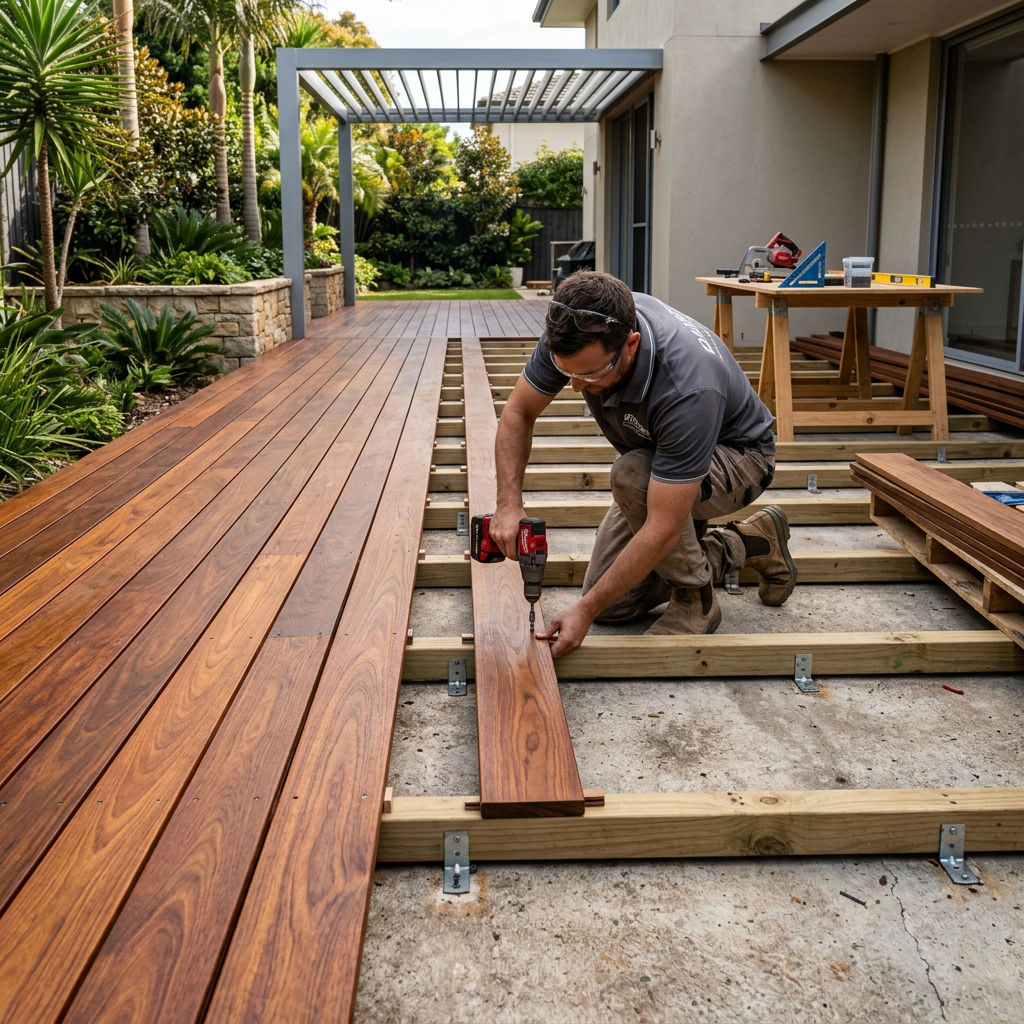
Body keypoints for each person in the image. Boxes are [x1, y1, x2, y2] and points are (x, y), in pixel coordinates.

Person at [490, 270, 796, 657]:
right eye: (566, 371)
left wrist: (582, 611)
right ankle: (752, 542)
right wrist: (508, 504)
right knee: (614, 605)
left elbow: (665, 528)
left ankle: (695, 601)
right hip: (661, 460)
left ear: (631, 344)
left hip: (740, 456)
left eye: (590, 374)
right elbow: (518, 412)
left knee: (632, 476)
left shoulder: (688, 386)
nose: (576, 387)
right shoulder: (580, 323)